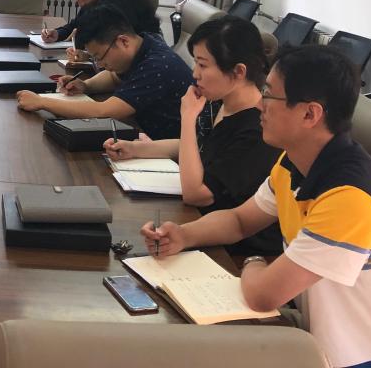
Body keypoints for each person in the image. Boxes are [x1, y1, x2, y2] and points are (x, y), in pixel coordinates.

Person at [140, 45, 371, 368]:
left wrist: (254, 262)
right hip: (333, 334)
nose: (259, 104)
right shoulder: (294, 162)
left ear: (310, 114)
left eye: (269, 95)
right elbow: (240, 221)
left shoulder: (351, 195)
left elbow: (263, 295)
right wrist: (183, 235)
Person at [105, 16, 282, 255]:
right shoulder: (220, 101)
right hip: (199, 227)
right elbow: (197, 146)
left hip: (232, 250)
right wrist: (135, 149)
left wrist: (188, 117)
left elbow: (197, 194)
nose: (195, 74)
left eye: (203, 65)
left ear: (239, 71)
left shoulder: (257, 130)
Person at [17, 4, 192, 139]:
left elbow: (103, 112)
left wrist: (41, 102)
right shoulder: (145, 42)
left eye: (100, 56)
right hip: (144, 134)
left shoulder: (156, 66)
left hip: (172, 154)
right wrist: (86, 85)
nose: (100, 64)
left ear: (123, 41)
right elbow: (115, 77)